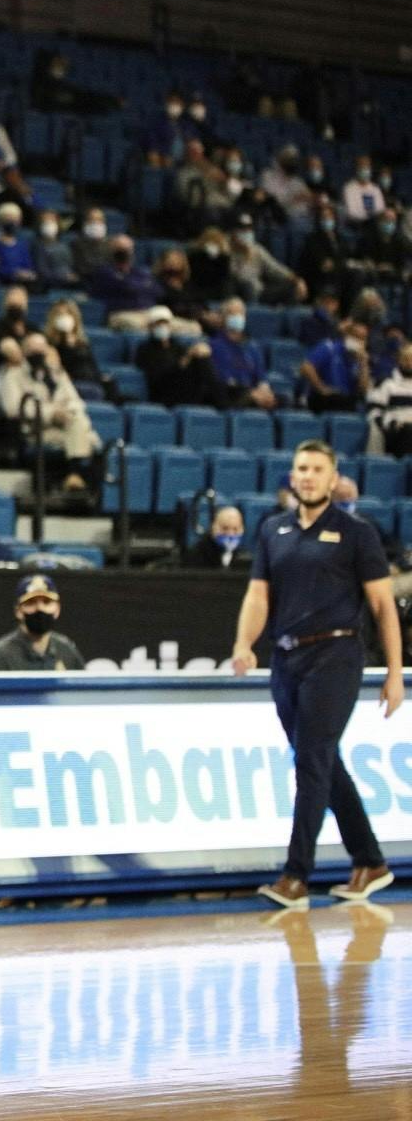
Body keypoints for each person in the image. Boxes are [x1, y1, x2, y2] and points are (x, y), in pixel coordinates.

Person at [231, 440, 400, 909]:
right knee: (321, 759)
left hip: (338, 655)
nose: (307, 476)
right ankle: (369, 860)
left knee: (312, 760)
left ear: (333, 478)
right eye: (301, 468)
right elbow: (258, 596)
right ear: (292, 476)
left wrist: (393, 673)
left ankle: (296, 875)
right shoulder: (272, 530)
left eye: (317, 469)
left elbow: (384, 606)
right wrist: (244, 643)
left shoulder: (356, 532)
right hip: (286, 659)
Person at [0, 334, 98, 491]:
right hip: (35, 430)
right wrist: (51, 414)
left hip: (64, 427)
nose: (38, 353)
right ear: (24, 351)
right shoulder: (13, 375)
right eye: (33, 349)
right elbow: (13, 408)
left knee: (78, 422)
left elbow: (76, 402)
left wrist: (65, 413)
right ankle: (75, 473)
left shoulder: (57, 374)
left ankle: (74, 477)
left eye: (41, 348)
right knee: (87, 438)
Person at [0, 574, 85, 671]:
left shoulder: (66, 651)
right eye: (31, 603)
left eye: (46, 602)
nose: (40, 608)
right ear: (18, 611)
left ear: (57, 609)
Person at [301, 318, 371, 413]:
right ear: (347, 335)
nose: (359, 342)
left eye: (362, 339)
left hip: (345, 400)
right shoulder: (330, 347)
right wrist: (322, 388)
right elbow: (306, 367)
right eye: (355, 337)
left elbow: (363, 390)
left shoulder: (358, 360)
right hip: (322, 398)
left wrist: (364, 364)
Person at [183, 505, 249, 569]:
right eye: (225, 528)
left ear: (242, 529)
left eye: (235, 529)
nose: (230, 534)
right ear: (213, 527)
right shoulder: (196, 554)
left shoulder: (245, 558)